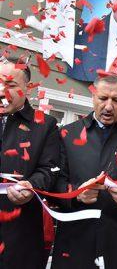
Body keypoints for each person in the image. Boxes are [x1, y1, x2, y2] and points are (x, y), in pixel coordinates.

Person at [51, 75, 117, 269]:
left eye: (116, 100)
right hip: (75, 240)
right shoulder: (68, 134)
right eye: (103, 98)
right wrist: (76, 194)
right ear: (93, 97)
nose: (109, 106)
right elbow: (55, 182)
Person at [0, 56, 59, 269]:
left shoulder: (45, 126)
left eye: (10, 85)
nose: (1, 91)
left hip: (21, 235)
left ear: (28, 88)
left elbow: (50, 170)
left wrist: (31, 186)